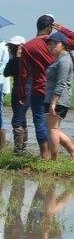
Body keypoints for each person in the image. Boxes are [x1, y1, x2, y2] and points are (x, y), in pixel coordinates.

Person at [13, 14, 74, 157]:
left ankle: (45, 155)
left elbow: (23, 73)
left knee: (41, 122)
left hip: (38, 88)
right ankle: (66, 153)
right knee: (53, 127)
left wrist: (22, 92)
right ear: (49, 28)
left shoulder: (28, 46)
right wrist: (63, 29)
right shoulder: (59, 42)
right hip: (57, 91)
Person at [45, 31, 74, 158]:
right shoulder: (59, 59)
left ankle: (54, 159)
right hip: (53, 98)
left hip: (58, 99)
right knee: (53, 129)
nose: (52, 47)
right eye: (50, 44)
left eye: (55, 44)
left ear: (63, 44)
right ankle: (73, 152)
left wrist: (53, 102)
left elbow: (61, 83)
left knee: (53, 129)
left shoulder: (64, 61)